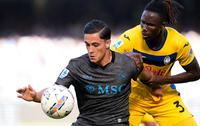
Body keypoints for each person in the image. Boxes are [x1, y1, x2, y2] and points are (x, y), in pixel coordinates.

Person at [16, 19, 163, 126]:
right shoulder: (76, 66)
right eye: (87, 45)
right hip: (86, 123)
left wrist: (156, 86)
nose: (90, 50)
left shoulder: (127, 64)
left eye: (95, 45)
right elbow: (55, 91)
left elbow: (148, 77)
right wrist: (35, 96)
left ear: (107, 43)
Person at [111, 0, 200, 126]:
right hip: (133, 97)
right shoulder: (130, 37)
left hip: (164, 96)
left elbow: (196, 73)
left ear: (162, 26)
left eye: (150, 24)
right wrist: (123, 59)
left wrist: (161, 80)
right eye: (142, 22)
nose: (144, 28)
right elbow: (108, 60)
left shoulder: (178, 42)